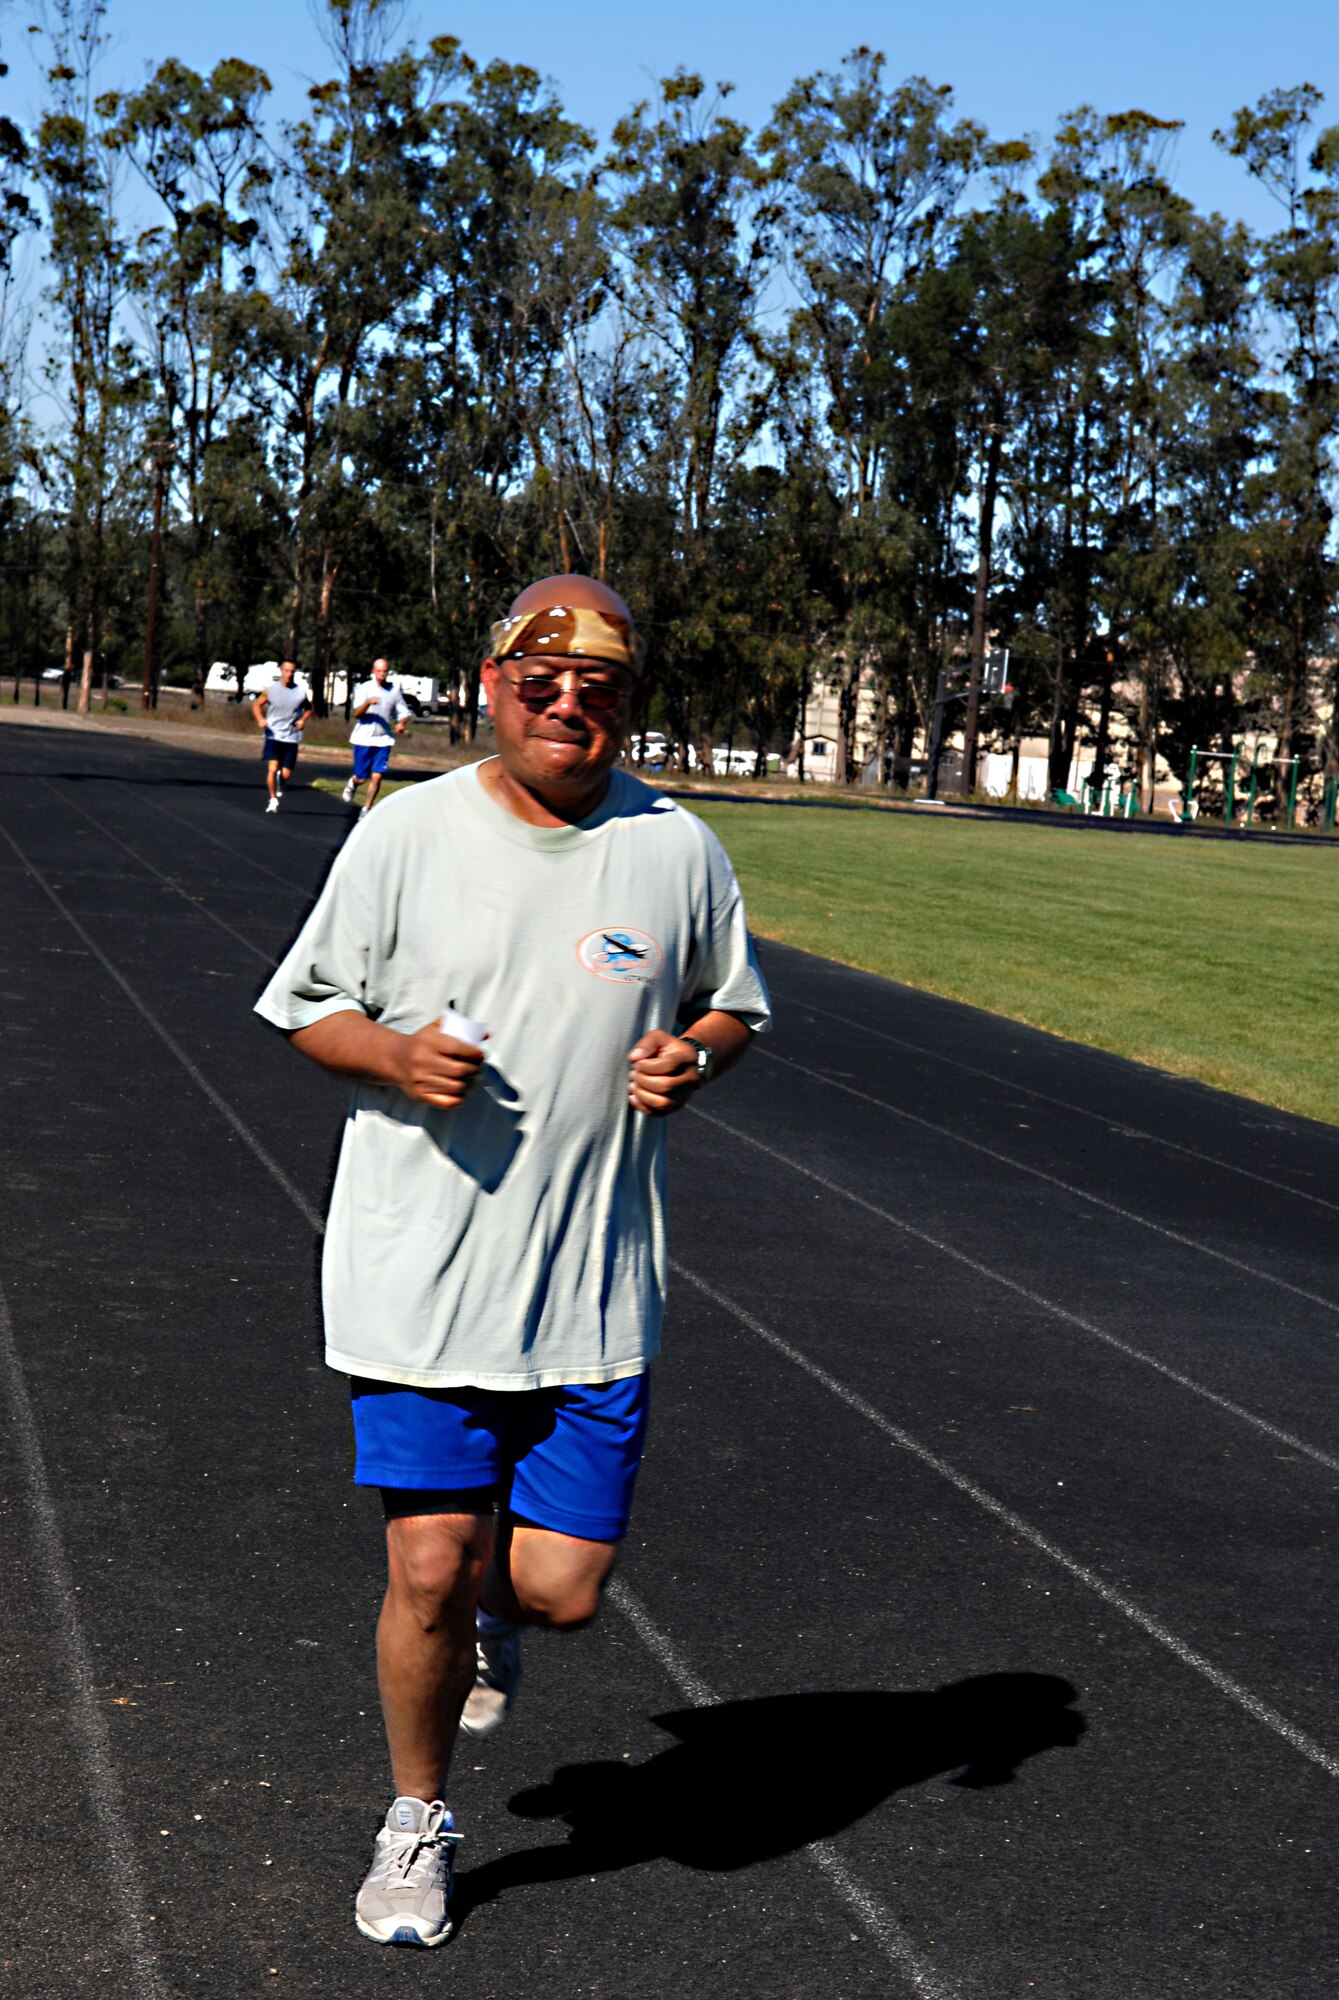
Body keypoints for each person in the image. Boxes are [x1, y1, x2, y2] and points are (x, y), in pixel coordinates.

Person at [254, 574, 771, 1949]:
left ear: (625, 707)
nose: (565, 705)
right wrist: (392, 1054)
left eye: (595, 689)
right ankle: (416, 1823)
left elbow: (733, 1007)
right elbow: (304, 1007)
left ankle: (499, 1620)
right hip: (420, 1282)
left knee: (556, 1590)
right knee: (425, 1566)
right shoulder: (406, 835)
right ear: (488, 686)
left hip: (593, 1293)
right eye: (538, 684)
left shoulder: (676, 853)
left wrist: (691, 1054)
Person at [341, 657, 412, 817]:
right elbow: (357, 713)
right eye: (379, 671)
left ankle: (366, 809)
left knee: (378, 776)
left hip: (383, 739)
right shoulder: (365, 688)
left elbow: (403, 712)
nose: (382, 674)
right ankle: (353, 783)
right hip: (363, 738)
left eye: (385, 671)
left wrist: (401, 723)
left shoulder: (394, 691)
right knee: (362, 777)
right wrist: (368, 703)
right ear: (374, 671)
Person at [252, 659, 310, 812]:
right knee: (272, 768)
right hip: (273, 734)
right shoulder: (270, 690)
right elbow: (257, 705)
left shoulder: (300, 692)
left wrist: (302, 720)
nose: (289, 674)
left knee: (286, 773)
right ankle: (272, 799)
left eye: (292, 671)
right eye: (286, 671)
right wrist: (260, 719)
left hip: (291, 736)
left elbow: (309, 709)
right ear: (281, 671)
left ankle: (281, 780)